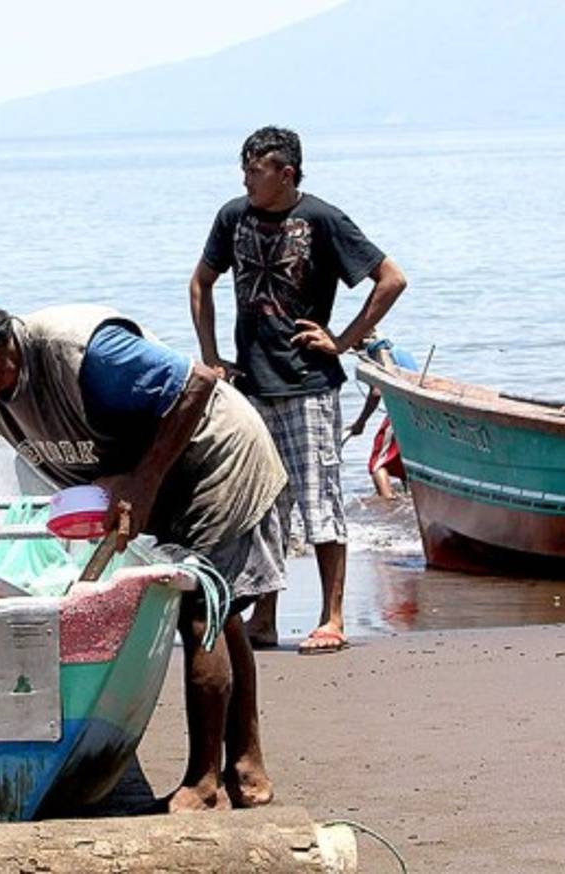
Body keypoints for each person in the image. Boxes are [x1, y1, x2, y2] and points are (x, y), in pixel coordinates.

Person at [0, 291, 289, 812]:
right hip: (151, 477)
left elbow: (197, 383)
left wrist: (141, 483)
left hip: (214, 459)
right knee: (219, 609)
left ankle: (206, 784)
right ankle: (247, 767)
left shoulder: (82, 352)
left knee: (201, 609)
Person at [188, 125, 407, 654]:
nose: (245, 180)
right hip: (251, 386)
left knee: (319, 500)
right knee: (262, 505)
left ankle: (332, 618)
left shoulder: (322, 218)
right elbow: (201, 283)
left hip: (307, 385)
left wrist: (344, 340)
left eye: (254, 170)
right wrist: (214, 358)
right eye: (242, 169)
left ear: (286, 174)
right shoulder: (232, 216)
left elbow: (391, 279)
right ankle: (265, 616)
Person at [346, 334, 418, 499]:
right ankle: (407, 504)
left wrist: (360, 422)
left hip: (400, 413)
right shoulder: (398, 350)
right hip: (418, 414)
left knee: (377, 463)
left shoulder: (377, 351)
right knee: (406, 462)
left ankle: (387, 505)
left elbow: (376, 392)